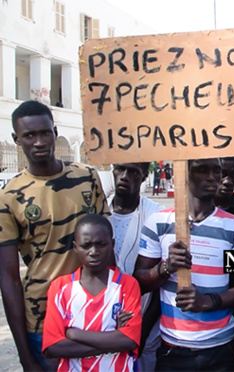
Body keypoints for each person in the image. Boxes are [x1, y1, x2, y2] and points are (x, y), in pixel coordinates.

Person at [0, 100, 109, 371]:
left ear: (54, 131)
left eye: (44, 132)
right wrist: (24, 355)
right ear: (17, 139)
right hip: (43, 318)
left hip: (93, 312)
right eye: (29, 135)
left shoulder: (87, 177)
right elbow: (9, 278)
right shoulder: (8, 198)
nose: (39, 141)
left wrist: (114, 303)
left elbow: (108, 248)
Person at [134, 158, 234, 371]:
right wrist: (165, 268)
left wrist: (208, 301)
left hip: (221, 348)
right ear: (184, 174)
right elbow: (138, 282)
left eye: (217, 170)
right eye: (202, 169)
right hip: (172, 348)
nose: (212, 177)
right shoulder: (159, 222)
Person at [42, 214, 142, 371]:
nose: (94, 251)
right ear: (75, 247)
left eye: (101, 244)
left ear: (112, 244)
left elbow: (130, 341)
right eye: (86, 245)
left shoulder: (127, 285)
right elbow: (53, 348)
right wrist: (114, 339)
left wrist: (74, 334)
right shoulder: (60, 288)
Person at [108, 162, 164, 371]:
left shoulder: (157, 215)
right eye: (120, 169)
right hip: (101, 323)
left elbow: (162, 282)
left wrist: (143, 329)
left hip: (146, 319)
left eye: (132, 172)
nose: (124, 176)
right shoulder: (98, 211)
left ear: (144, 176)